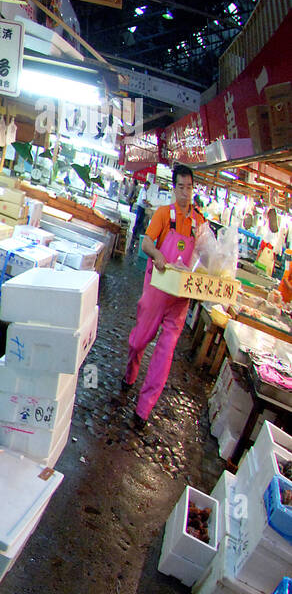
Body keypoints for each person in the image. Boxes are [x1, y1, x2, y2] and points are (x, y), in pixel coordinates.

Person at [122, 163, 205, 429]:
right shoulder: (162, 214)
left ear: (193, 189)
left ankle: (143, 410)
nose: (185, 193)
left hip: (180, 300)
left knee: (165, 354)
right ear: (174, 188)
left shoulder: (199, 222)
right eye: (180, 187)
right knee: (139, 342)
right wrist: (157, 255)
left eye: (189, 188)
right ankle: (130, 373)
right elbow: (146, 242)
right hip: (157, 290)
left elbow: (204, 256)